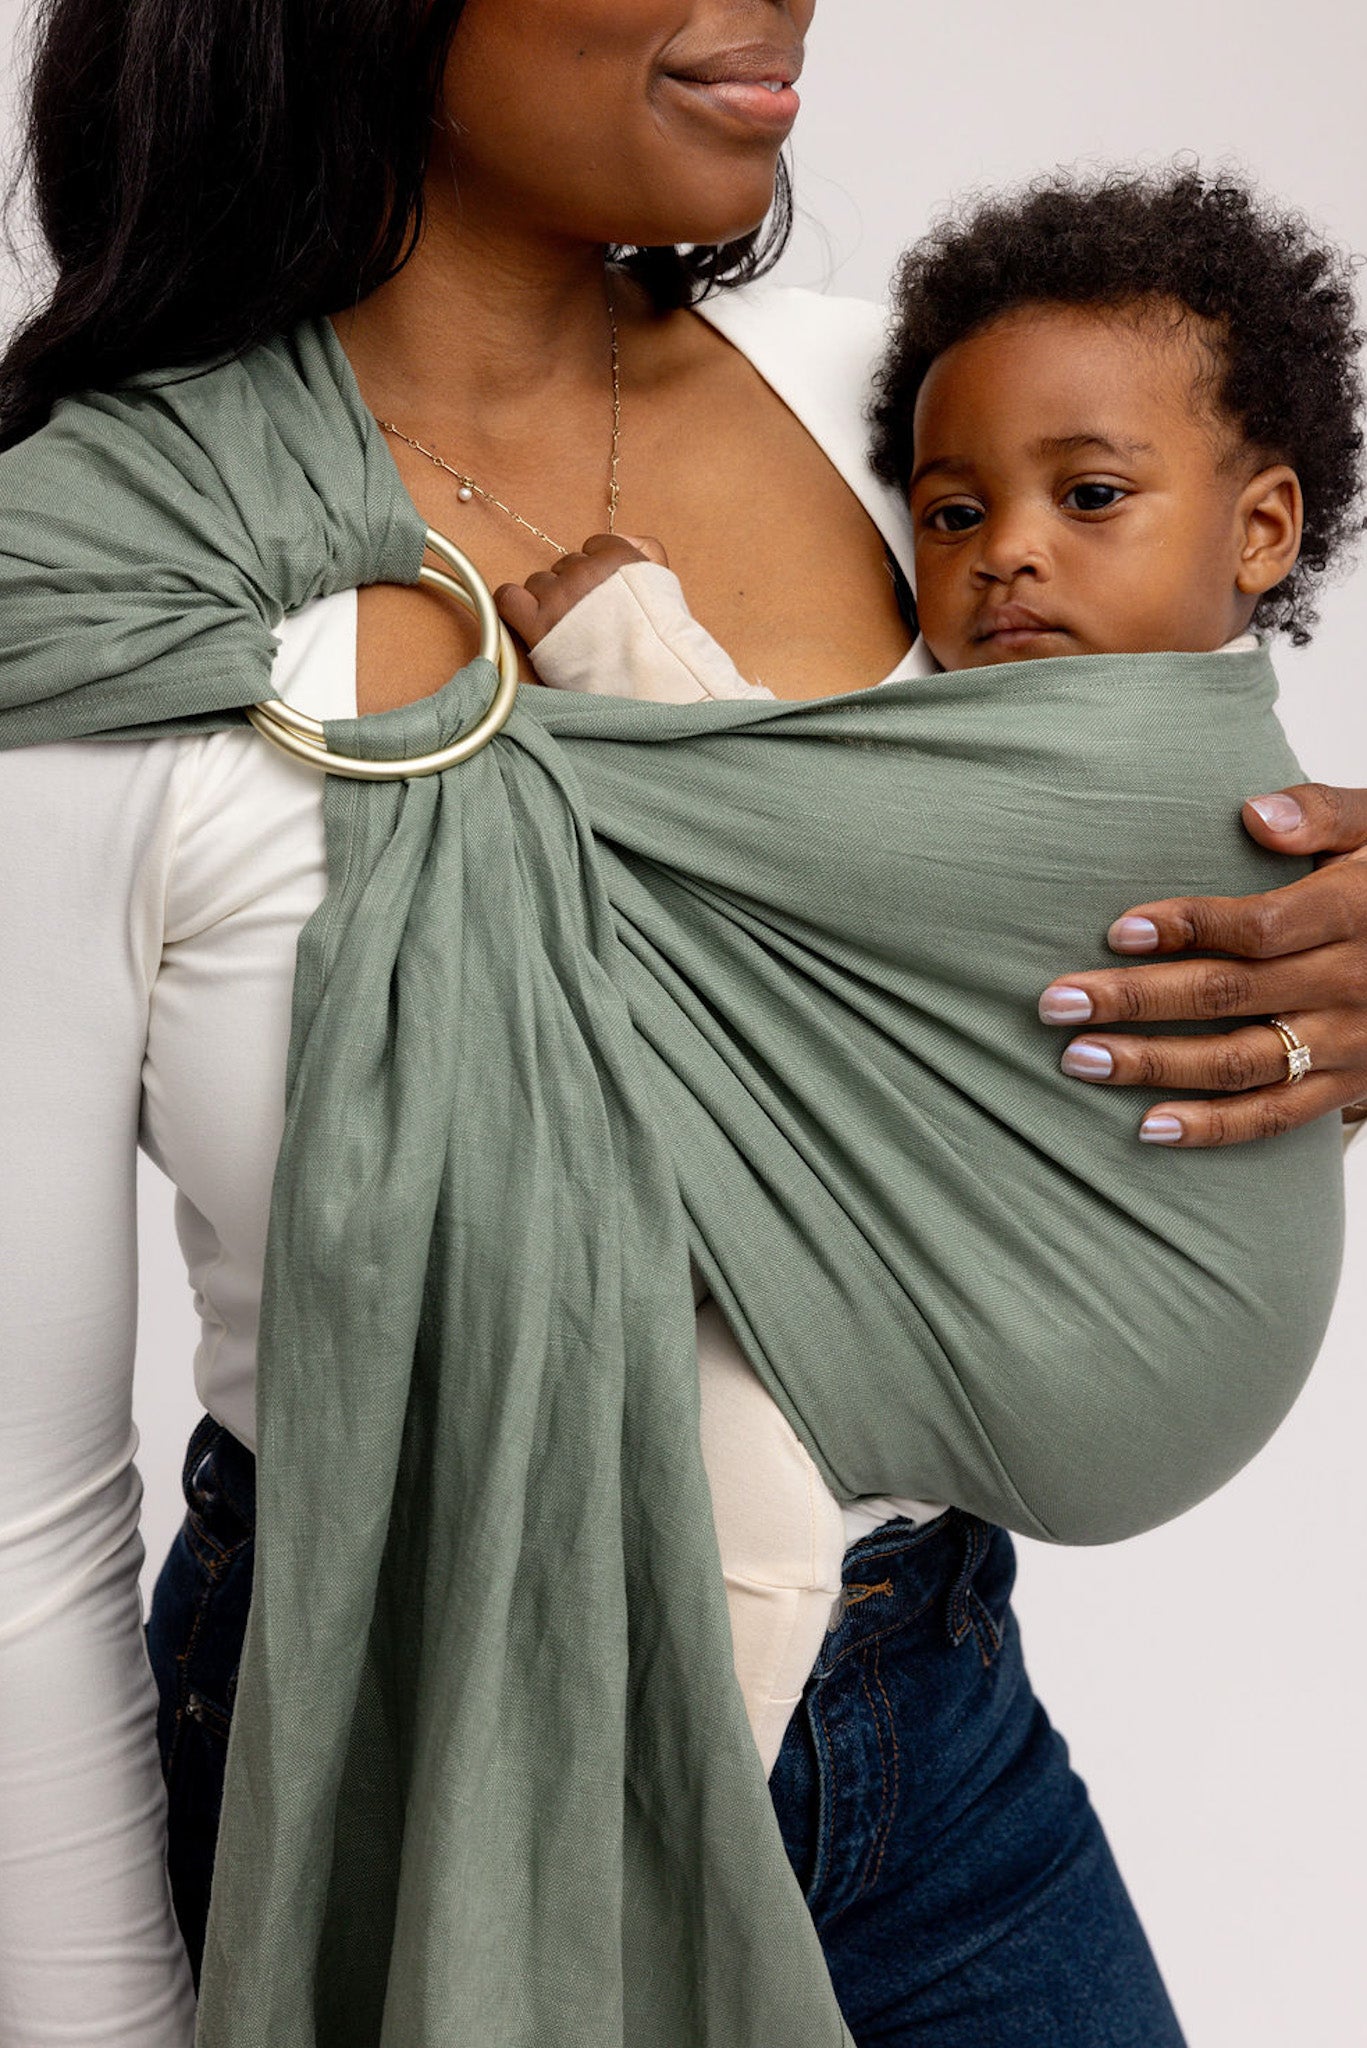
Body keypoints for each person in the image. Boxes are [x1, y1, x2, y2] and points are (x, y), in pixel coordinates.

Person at [2, 8, 1367, 2046]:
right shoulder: (97, 587)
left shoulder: (915, 415)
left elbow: (1088, 867)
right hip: (414, 1740)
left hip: (938, 1755)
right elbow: (20, 1513)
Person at [492, 159, 1365, 1760]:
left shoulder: (1172, 767)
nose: (1005, 552)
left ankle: (648, 1871)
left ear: (1261, 530)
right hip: (883, 1369)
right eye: (953, 514)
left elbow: (813, 843)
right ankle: (658, 1863)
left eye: (1090, 498)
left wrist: (627, 657)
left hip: (1127, 1342)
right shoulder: (988, 719)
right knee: (716, 1450)